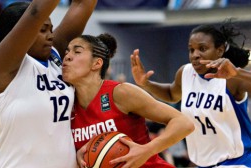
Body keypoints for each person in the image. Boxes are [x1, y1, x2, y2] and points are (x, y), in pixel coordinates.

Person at [130, 20, 251, 167]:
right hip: (203, 164)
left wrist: (238, 73)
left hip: (236, 163)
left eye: (202, 49)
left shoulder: (231, 79)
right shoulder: (185, 72)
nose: (195, 54)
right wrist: (146, 84)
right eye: (191, 49)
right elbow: (172, 94)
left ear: (219, 51)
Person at [0, 0, 97, 167]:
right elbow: (36, 12)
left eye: (51, 29)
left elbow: (82, 5)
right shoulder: (3, 66)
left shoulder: (56, 56)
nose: (51, 35)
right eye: (43, 30)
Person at [62, 33, 195, 168]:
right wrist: (77, 155)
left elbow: (184, 123)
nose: (67, 56)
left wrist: (147, 150)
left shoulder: (120, 93)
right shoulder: (65, 106)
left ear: (97, 63)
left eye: (77, 51)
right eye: (66, 52)